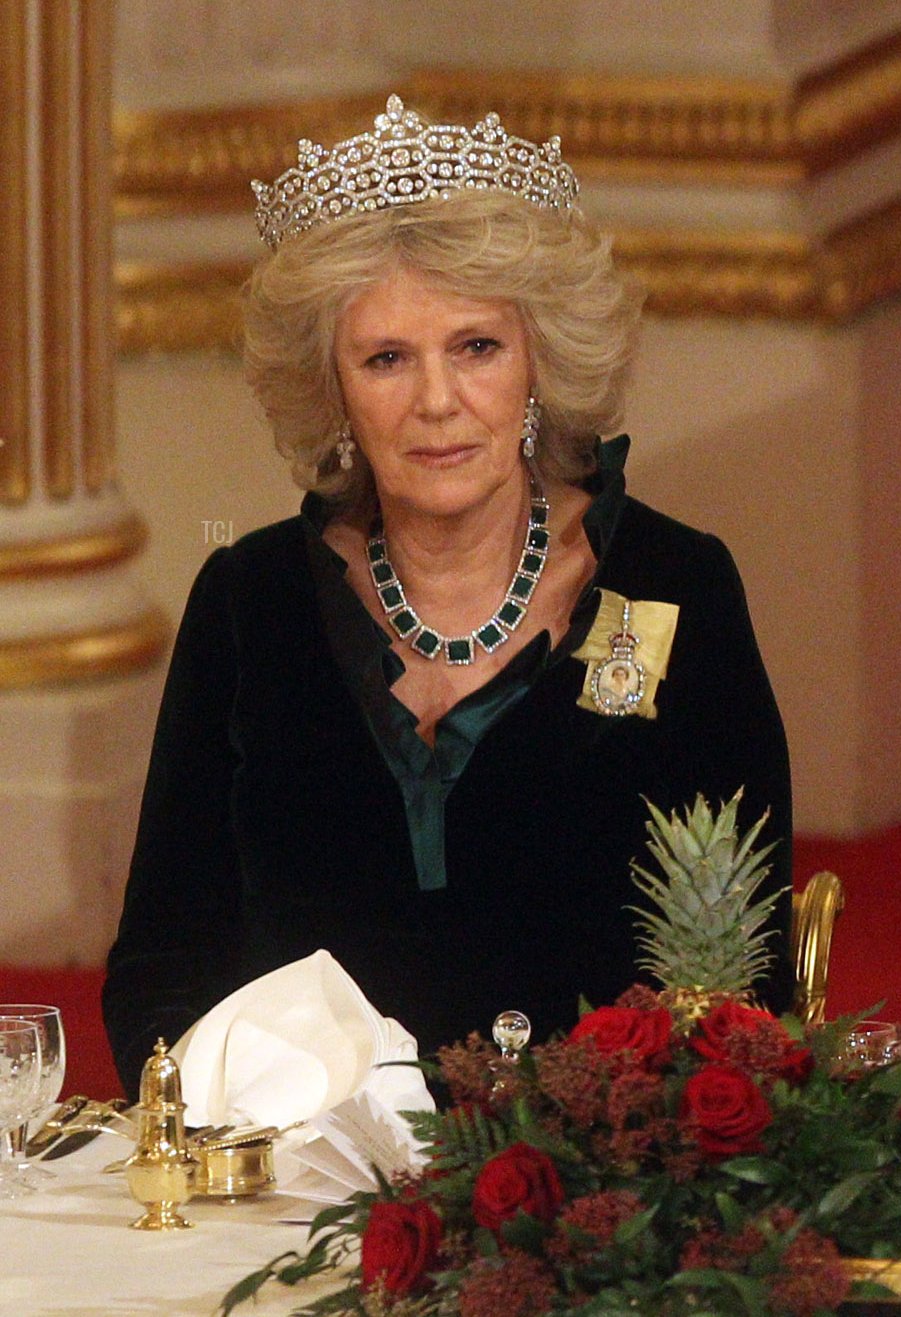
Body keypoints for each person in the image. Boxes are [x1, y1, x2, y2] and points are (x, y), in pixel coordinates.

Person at [103, 96, 794, 1098]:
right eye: (387, 358)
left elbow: (745, 974)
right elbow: (163, 961)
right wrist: (221, 1137)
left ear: (538, 363)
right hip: (295, 1181)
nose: (436, 401)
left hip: (592, 1175)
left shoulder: (669, 589)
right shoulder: (248, 601)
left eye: (476, 347)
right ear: (333, 389)